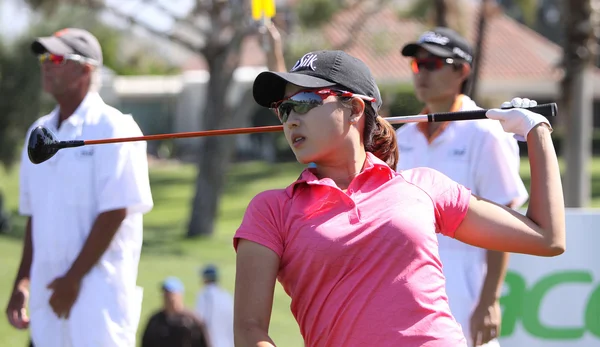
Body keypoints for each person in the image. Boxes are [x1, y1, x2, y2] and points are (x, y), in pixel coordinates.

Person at [231, 49, 565, 347]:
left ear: (355, 107)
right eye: (283, 109)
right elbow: (249, 330)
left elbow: (547, 238)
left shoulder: (423, 186)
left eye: (304, 102)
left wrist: (536, 131)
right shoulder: (272, 210)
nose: (291, 120)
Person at [5, 28, 154, 347]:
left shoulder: (115, 127)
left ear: (86, 68)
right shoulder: (38, 131)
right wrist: (23, 282)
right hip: (49, 295)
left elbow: (115, 211)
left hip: (98, 299)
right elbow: (35, 217)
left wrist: (72, 280)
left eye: (56, 57)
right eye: (44, 57)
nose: (45, 64)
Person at [396, 27, 529, 347]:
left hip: (465, 287)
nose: (422, 73)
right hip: (405, 288)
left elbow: (503, 218)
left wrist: (489, 301)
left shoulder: (487, 133)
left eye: (433, 64)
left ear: (462, 71)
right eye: (417, 64)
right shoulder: (402, 136)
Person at [141, 277, 212, 347]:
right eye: (165, 294)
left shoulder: (192, 320)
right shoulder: (155, 320)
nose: (168, 298)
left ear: (179, 295)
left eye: (171, 294)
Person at [195, 265, 234, 347]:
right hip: (228, 343)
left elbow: (200, 319)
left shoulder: (204, 295)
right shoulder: (226, 295)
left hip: (210, 342)